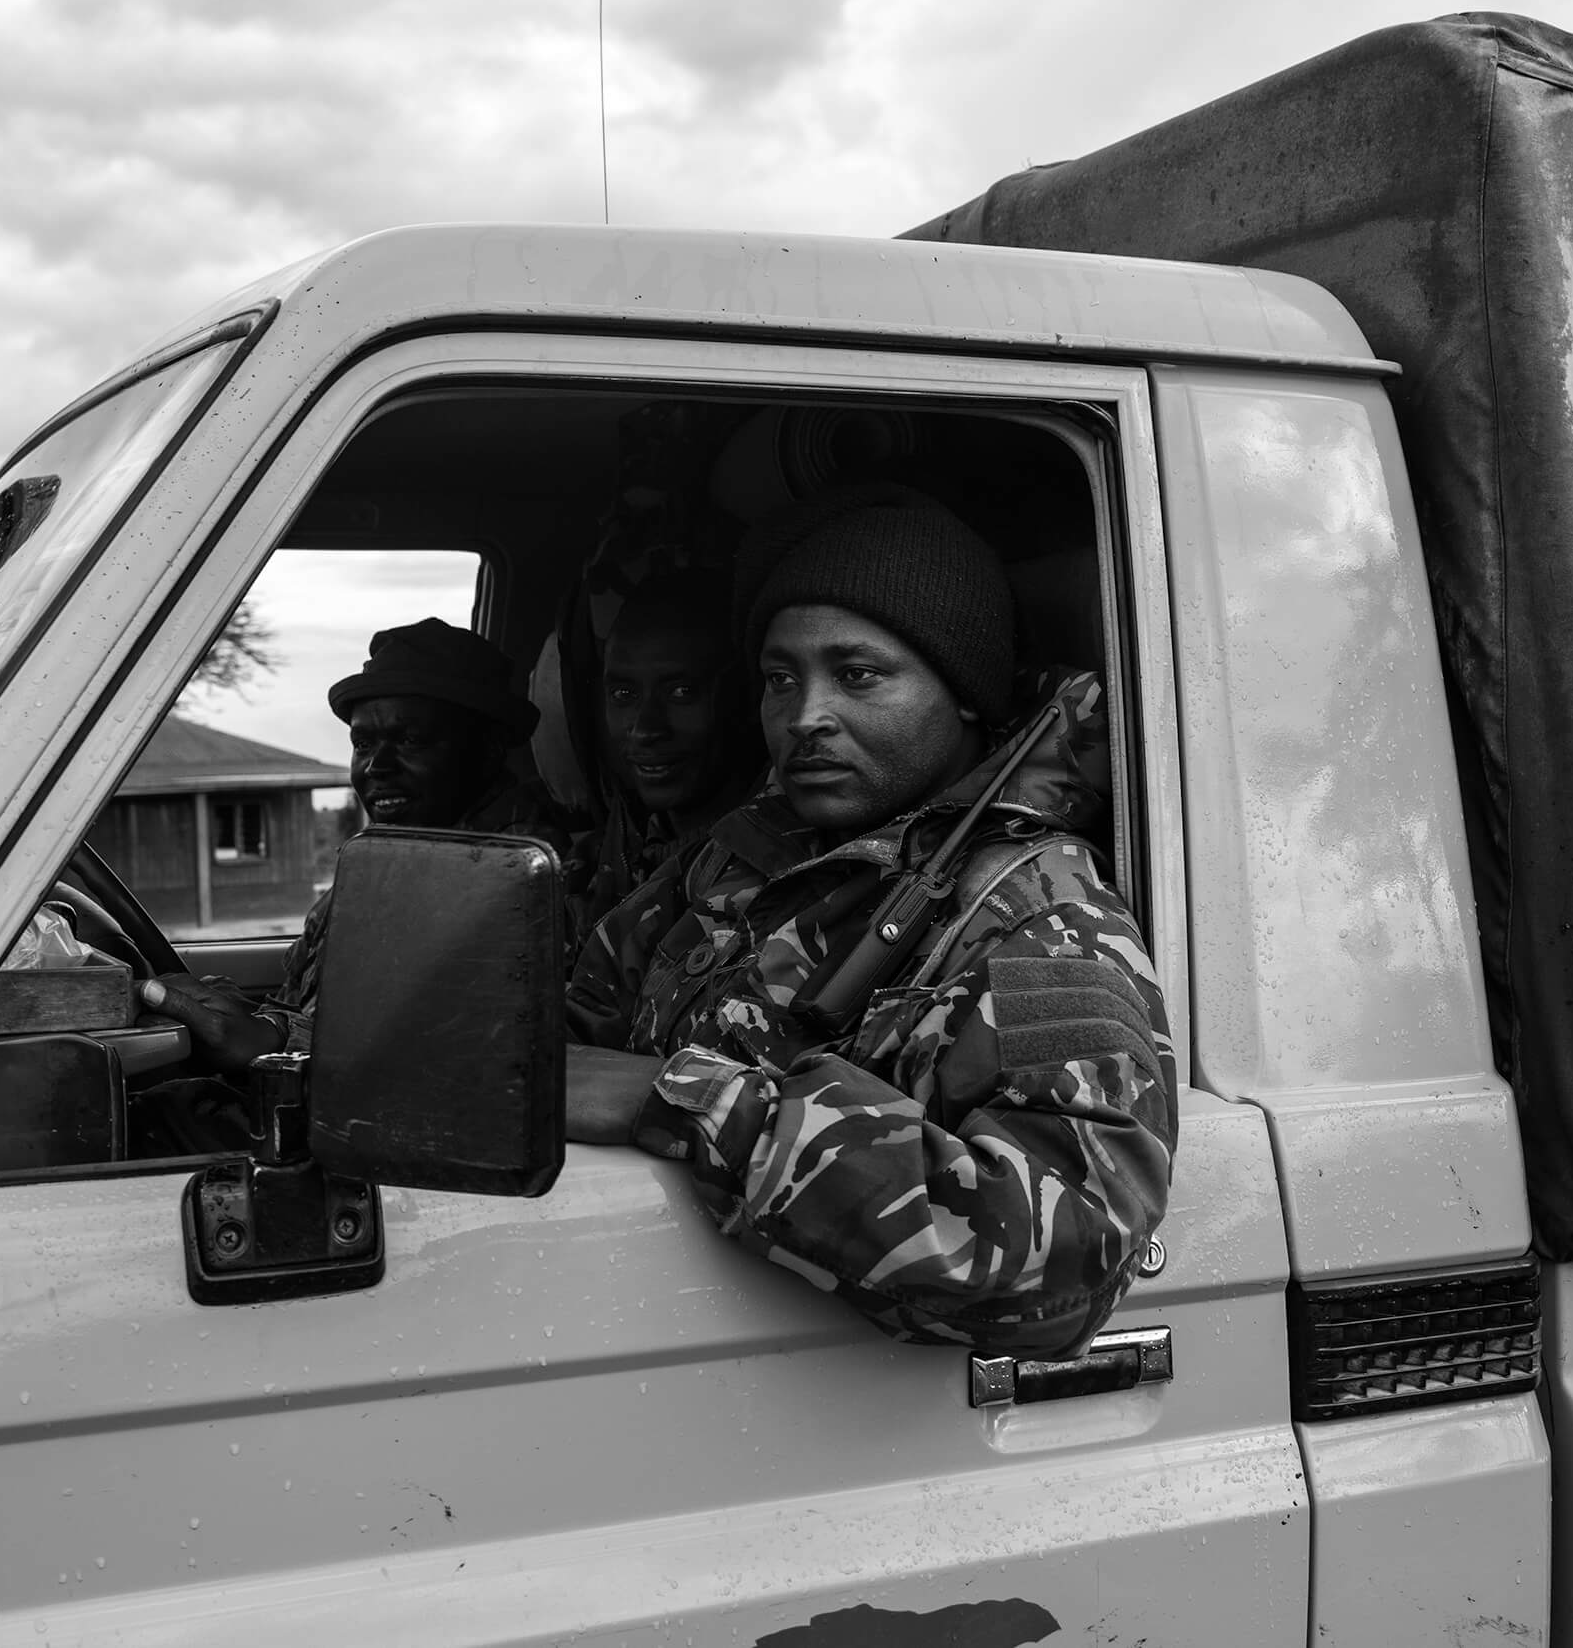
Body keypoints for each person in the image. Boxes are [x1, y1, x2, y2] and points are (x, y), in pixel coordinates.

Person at [562, 489, 1177, 1356]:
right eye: (781, 679)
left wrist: (683, 1099)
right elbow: (576, 1023)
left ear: (961, 693)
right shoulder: (740, 857)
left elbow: (1065, 1263)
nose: (804, 715)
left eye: (858, 675)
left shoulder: (1043, 920)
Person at [138, 618, 574, 1086]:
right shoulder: (388, 857)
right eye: (363, 743)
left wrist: (273, 1039)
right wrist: (256, 1017)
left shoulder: (524, 874)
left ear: (486, 750)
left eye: (410, 740)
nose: (376, 766)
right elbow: (322, 1010)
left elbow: (449, 1054)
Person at [569, 568, 760, 942]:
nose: (645, 729)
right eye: (624, 695)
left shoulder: (772, 869)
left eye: (681, 692)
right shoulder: (601, 853)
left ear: (746, 696)